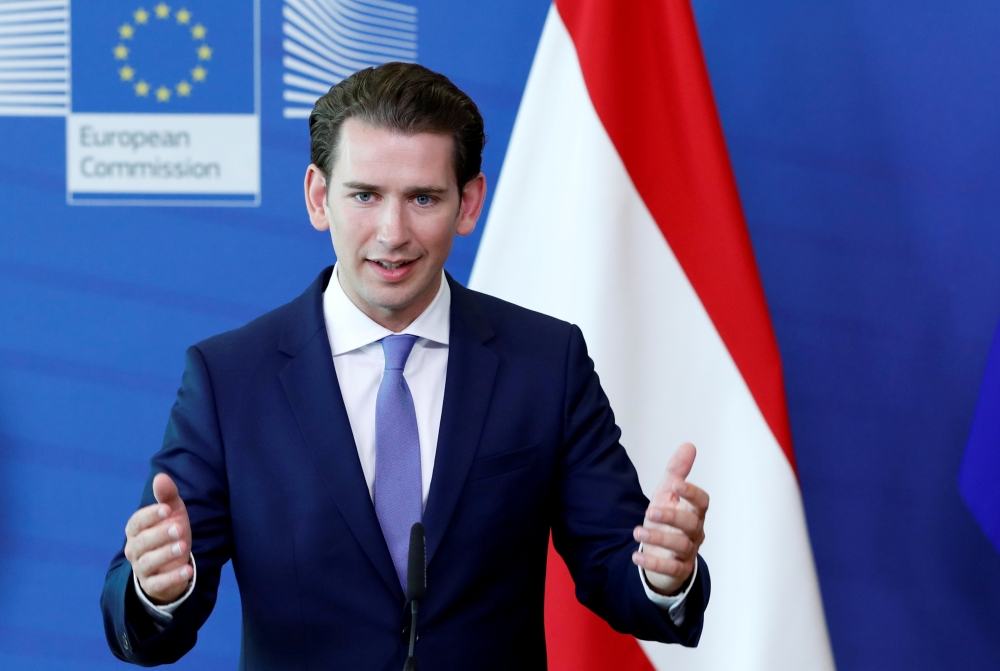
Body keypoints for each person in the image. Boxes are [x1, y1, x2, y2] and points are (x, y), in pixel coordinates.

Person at [101, 62, 711, 670]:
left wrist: (663, 575)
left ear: (468, 203)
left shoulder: (546, 363)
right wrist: (157, 589)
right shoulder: (230, 378)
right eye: (365, 195)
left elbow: (617, 567)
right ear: (318, 197)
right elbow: (151, 618)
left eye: (423, 198)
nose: (392, 233)